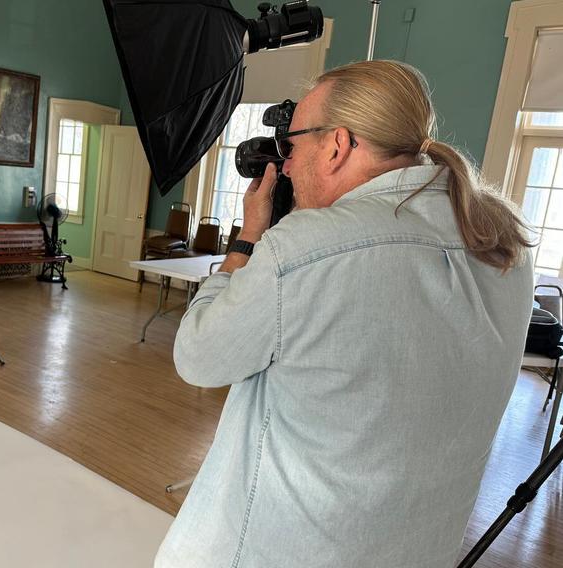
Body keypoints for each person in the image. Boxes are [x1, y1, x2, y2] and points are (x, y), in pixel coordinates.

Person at [154, 60, 534, 567]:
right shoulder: (505, 245)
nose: (285, 166)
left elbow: (199, 356)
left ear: (337, 144)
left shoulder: (308, 246)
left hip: (283, 549)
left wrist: (247, 240)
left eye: (291, 146)